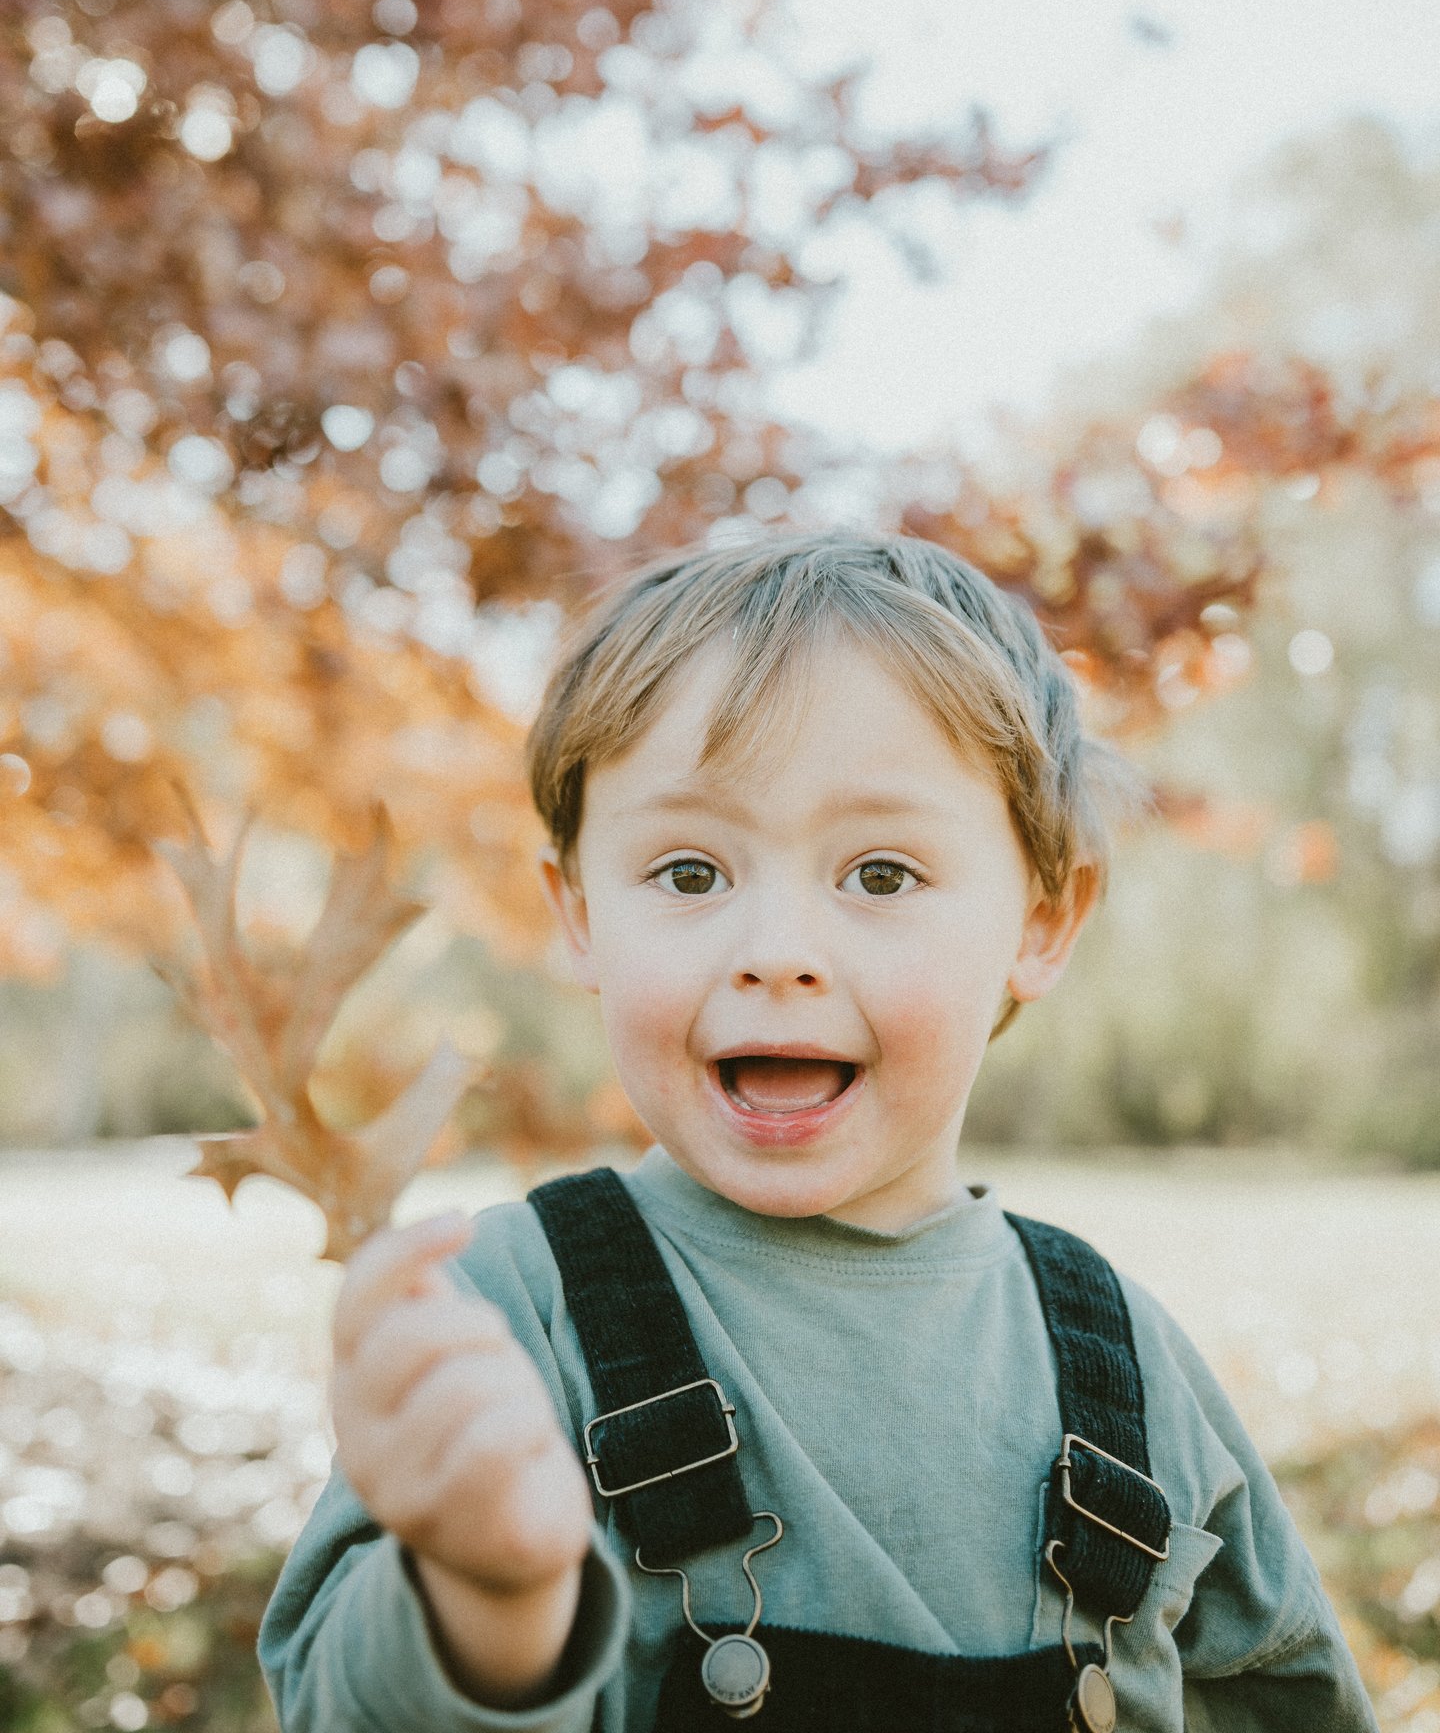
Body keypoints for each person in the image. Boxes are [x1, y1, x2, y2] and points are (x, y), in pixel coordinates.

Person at [259, 533, 1379, 1732]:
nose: (776, 950)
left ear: (1042, 923)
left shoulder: (1127, 1363)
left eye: (882, 875)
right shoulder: (507, 1311)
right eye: (690, 874)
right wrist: (483, 1599)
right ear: (580, 916)